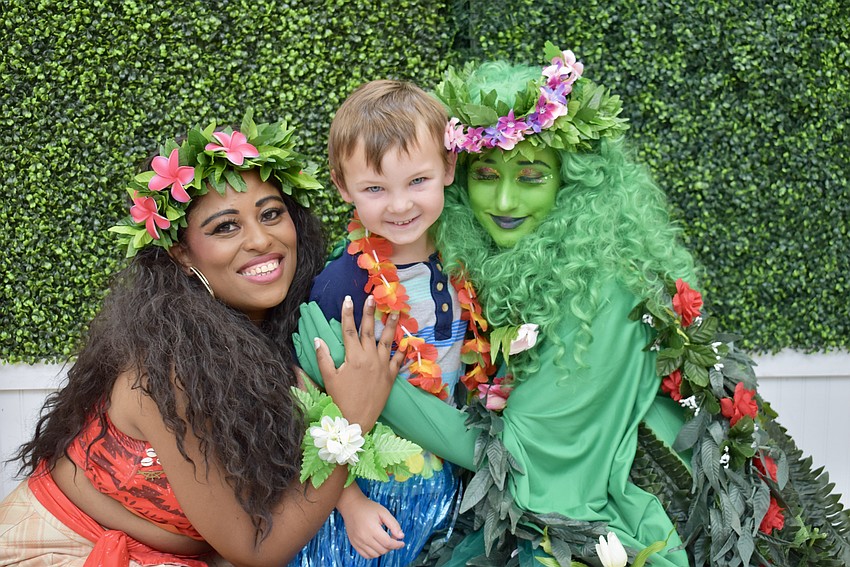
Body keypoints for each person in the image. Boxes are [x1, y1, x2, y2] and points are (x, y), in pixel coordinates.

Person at [296, 46, 850, 566]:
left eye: (531, 178)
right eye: (485, 176)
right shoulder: (495, 262)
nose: (504, 201)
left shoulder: (602, 293)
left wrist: (369, 382)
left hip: (600, 514)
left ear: (574, 182)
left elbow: (522, 457)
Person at [0, 112, 406, 567]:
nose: (261, 240)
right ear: (182, 253)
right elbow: (255, 551)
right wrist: (352, 420)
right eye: (225, 226)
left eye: (271, 214)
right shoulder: (168, 369)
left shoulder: (275, 327)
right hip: (59, 549)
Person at [291, 79, 476, 567]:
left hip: (450, 486)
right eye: (375, 188)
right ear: (342, 186)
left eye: (418, 181)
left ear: (449, 167)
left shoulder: (469, 262)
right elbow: (306, 400)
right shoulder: (344, 286)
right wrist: (348, 503)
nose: (400, 205)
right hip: (373, 495)